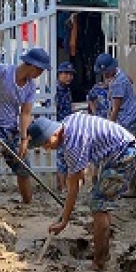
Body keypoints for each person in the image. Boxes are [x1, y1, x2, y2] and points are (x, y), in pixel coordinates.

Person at [25, 113, 136, 271]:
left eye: (45, 144)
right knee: (99, 202)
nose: (46, 150)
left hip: (124, 155)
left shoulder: (72, 144)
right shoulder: (68, 122)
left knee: (98, 205)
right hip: (118, 151)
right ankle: (103, 257)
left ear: (53, 135)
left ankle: (99, 262)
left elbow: (74, 187)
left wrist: (64, 221)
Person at [0, 47, 51, 207]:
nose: (41, 74)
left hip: (11, 129)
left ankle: (28, 206)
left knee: (24, 169)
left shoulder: (30, 87)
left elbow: (25, 113)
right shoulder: (3, 71)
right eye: (41, 70)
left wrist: (24, 138)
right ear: (33, 66)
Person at [94, 53, 136, 136]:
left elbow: (115, 109)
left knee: (123, 147)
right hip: (133, 117)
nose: (105, 75)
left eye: (107, 72)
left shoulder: (117, 84)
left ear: (112, 69)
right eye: (103, 73)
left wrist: (108, 128)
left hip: (127, 122)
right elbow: (131, 80)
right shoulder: (119, 72)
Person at [53, 61, 76, 192]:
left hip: (67, 126)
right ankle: (61, 186)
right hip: (57, 126)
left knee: (66, 156)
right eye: (66, 74)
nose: (69, 77)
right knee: (61, 157)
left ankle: (64, 185)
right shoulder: (54, 89)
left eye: (71, 74)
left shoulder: (67, 89)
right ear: (59, 74)